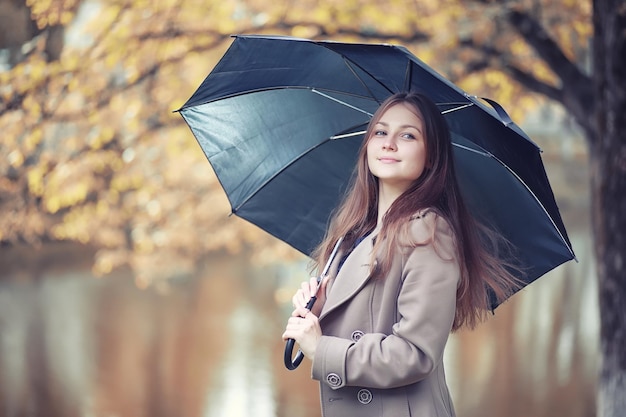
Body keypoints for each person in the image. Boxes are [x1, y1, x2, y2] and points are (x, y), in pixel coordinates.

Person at [281, 92, 522, 417]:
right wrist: (322, 308)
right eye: (380, 132)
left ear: (432, 156)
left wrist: (322, 349)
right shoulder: (355, 231)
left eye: (407, 135)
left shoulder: (429, 231)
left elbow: (414, 353)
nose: (389, 143)